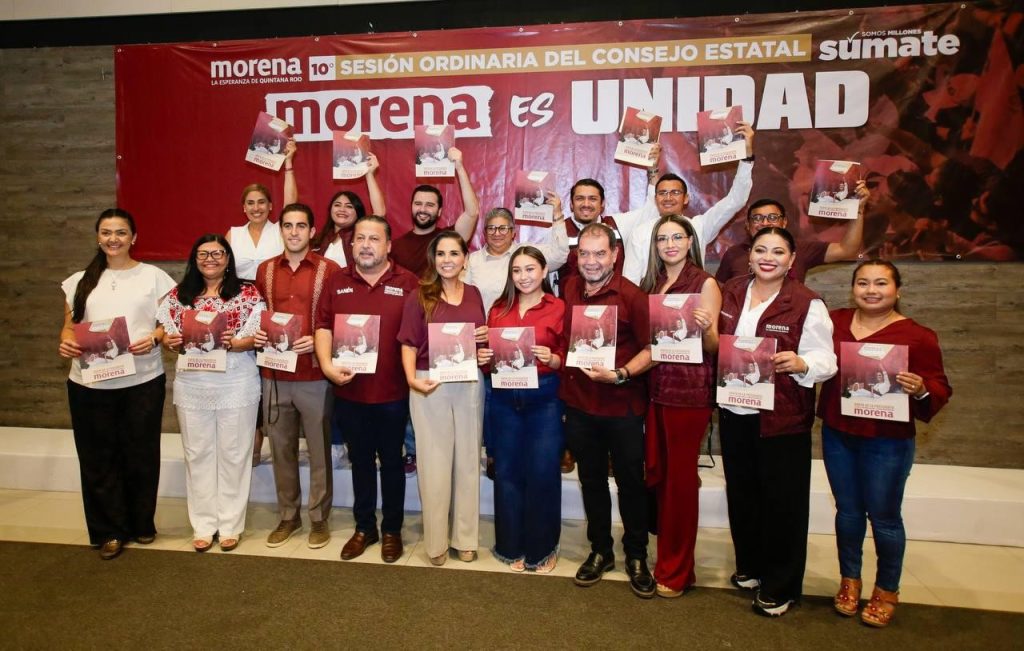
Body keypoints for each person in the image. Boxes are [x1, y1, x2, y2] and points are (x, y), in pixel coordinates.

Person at [817, 260, 952, 627]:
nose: (871, 290)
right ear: (853, 288)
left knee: (885, 517)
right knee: (847, 512)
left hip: (887, 442)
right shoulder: (834, 323)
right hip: (839, 433)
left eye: (880, 283)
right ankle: (849, 580)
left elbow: (940, 386)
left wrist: (921, 388)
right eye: (863, 283)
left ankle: (886, 589)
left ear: (897, 290)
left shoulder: (918, 336)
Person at [717, 226, 837, 617]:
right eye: (761, 250)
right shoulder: (732, 291)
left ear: (791, 260)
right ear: (749, 255)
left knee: (783, 502)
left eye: (778, 252)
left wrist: (802, 363)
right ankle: (751, 566)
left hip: (782, 418)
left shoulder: (806, 302)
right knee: (743, 494)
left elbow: (827, 360)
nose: (768, 258)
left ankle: (781, 585)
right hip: (735, 410)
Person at [58, 209, 176, 560]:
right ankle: (108, 531)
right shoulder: (78, 281)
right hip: (89, 384)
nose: (114, 239)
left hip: (142, 380)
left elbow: (168, 325)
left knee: (141, 454)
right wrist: (65, 342)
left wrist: (153, 338)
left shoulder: (154, 277)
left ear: (133, 237)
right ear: (98, 237)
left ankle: (141, 523)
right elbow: (68, 327)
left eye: (121, 232)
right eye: (107, 232)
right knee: (97, 458)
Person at [314, 215, 419, 562]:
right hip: (350, 391)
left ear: (388, 245)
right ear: (351, 244)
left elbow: (420, 333)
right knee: (360, 461)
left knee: (392, 462)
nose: (366, 245)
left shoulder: (409, 282)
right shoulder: (336, 281)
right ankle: (364, 528)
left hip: (393, 393)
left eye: (374, 239)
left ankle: (392, 530)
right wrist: (327, 365)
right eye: (360, 238)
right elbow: (323, 326)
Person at [560, 222, 656, 598]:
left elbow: (653, 348)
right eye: (584, 253)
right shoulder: (570, 288)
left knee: (631, 484)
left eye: (600, 253)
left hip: (622, 406)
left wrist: (620, 374)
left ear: (615, 255)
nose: (591, 261)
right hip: (580, 405)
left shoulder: (633, 296)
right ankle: (600, 550)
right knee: (592, 481)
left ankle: (636, 555)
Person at [158, 235, 264, 552]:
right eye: (203, 254)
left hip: (236, 381)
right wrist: (169, 341)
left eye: (218, 253)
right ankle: (204, 525)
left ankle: (230, 524)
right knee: (197, 453)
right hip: (193, 384)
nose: (210, 259)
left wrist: (238, 342)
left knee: (235, 453)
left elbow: (257, 337)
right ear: (195, 259)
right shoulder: (179, 295)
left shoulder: (247, 293)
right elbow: (167, 334)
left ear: (228, 259)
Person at [637, 214, 722, 598]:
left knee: (680, 485)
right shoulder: (652, 284)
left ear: (690, 242)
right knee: (659, 478)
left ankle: (677, 570)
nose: (669, 244)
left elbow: (714, 346)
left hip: (688, 396)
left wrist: (706, 328)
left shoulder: (705, 283)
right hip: (654, 392)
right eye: (662, 239)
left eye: (676, 237)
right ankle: (665, 558)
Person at [254, 204, 341, 549]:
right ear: (281, 230)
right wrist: (257, 333)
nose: (294, 232)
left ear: (312, 231)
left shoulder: (329, 270)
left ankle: (319, 519)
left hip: (314, 374)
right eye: (288, 225)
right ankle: (288, 516)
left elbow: (339, 317)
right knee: (281, 449)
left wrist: (319, 340)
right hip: (274, 374)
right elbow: (256, 314)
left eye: (300, 226)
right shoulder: (265, 270)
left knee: (319, 450)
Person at [397, 231, 486, 566]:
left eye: (454, 253)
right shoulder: (419, 296)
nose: (447, 260)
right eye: (441, 254)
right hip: (429, 382)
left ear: (465, 258)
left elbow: (478, 342)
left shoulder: (474, 293)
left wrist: (483, 340)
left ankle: (465, 538)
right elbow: (408, 342)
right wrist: (411, 380)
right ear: (433, 260)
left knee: (468, 460)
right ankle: (435, 542)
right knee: (434, 463)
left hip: (469, 382)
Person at [476, 246, 566, 573]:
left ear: (543, 271)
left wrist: (553, 359)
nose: (523, 276)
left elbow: (569, 355)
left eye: (530, 269)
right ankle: (509, 546)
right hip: (503, 399)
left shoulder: (558, 307)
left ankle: (542, 550)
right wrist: (482, 359)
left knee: (543, 473)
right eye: (517, 270)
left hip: (544, 398)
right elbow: (488, 360)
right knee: (507, 473)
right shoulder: (499, 309)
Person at [622, 123, 757, 284]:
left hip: (694, 297)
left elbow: (736, 200)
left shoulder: (699, 227)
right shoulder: (640, 232)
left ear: (686, 198)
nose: (668, 197)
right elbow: (629, 282)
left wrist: (747, 158)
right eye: (663, 193)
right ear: (656, 199)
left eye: (675, 192)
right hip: (650, 298)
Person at [714, 180, 870, 284]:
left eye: (772, 217)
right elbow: (720, 291)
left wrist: (859, 210)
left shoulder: (800, 248)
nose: (765, 223)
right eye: (757, 218)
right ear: (747, 225)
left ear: (784, 222)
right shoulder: (734, 254)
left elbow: (847, 249)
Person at [390, 147, 480, 277]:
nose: (422, 209)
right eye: (418, 204)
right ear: (411, 206)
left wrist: (459, 168)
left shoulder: (449, 237)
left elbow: (472, 213)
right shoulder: (396, 247)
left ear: (439, 211)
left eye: (429, 205)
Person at [311, 153, 386, 269]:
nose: (342, 209)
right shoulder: (318, 239)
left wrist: (369, 175)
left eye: (349, 206)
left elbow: (380, 213)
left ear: (358, 213)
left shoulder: (361, 237)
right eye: (337, 205)